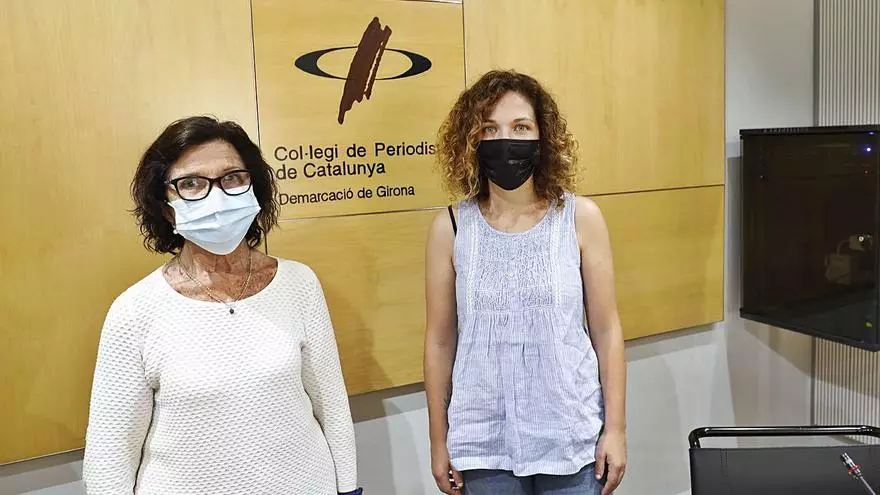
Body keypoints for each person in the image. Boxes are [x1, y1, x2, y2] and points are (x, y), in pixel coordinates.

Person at [82, 116, 362, 495]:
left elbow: (332, 405)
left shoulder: (299, 283)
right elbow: (110, 453)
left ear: (253, 187)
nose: (216, 196)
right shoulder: (135, 311)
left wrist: (348, 489)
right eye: (191, 183)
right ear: (165, 207)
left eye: (232, 178)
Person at [424, 70, 628, 495]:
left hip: (570, 435)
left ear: (542, 136)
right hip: (482, 441)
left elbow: (607, 331)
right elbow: (440, 341)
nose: (506, 140)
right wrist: (438, 441)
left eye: (520, 127)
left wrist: (616, 430)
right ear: (471, 140)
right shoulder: (451, 227)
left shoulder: (580, 218)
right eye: (489, 129)